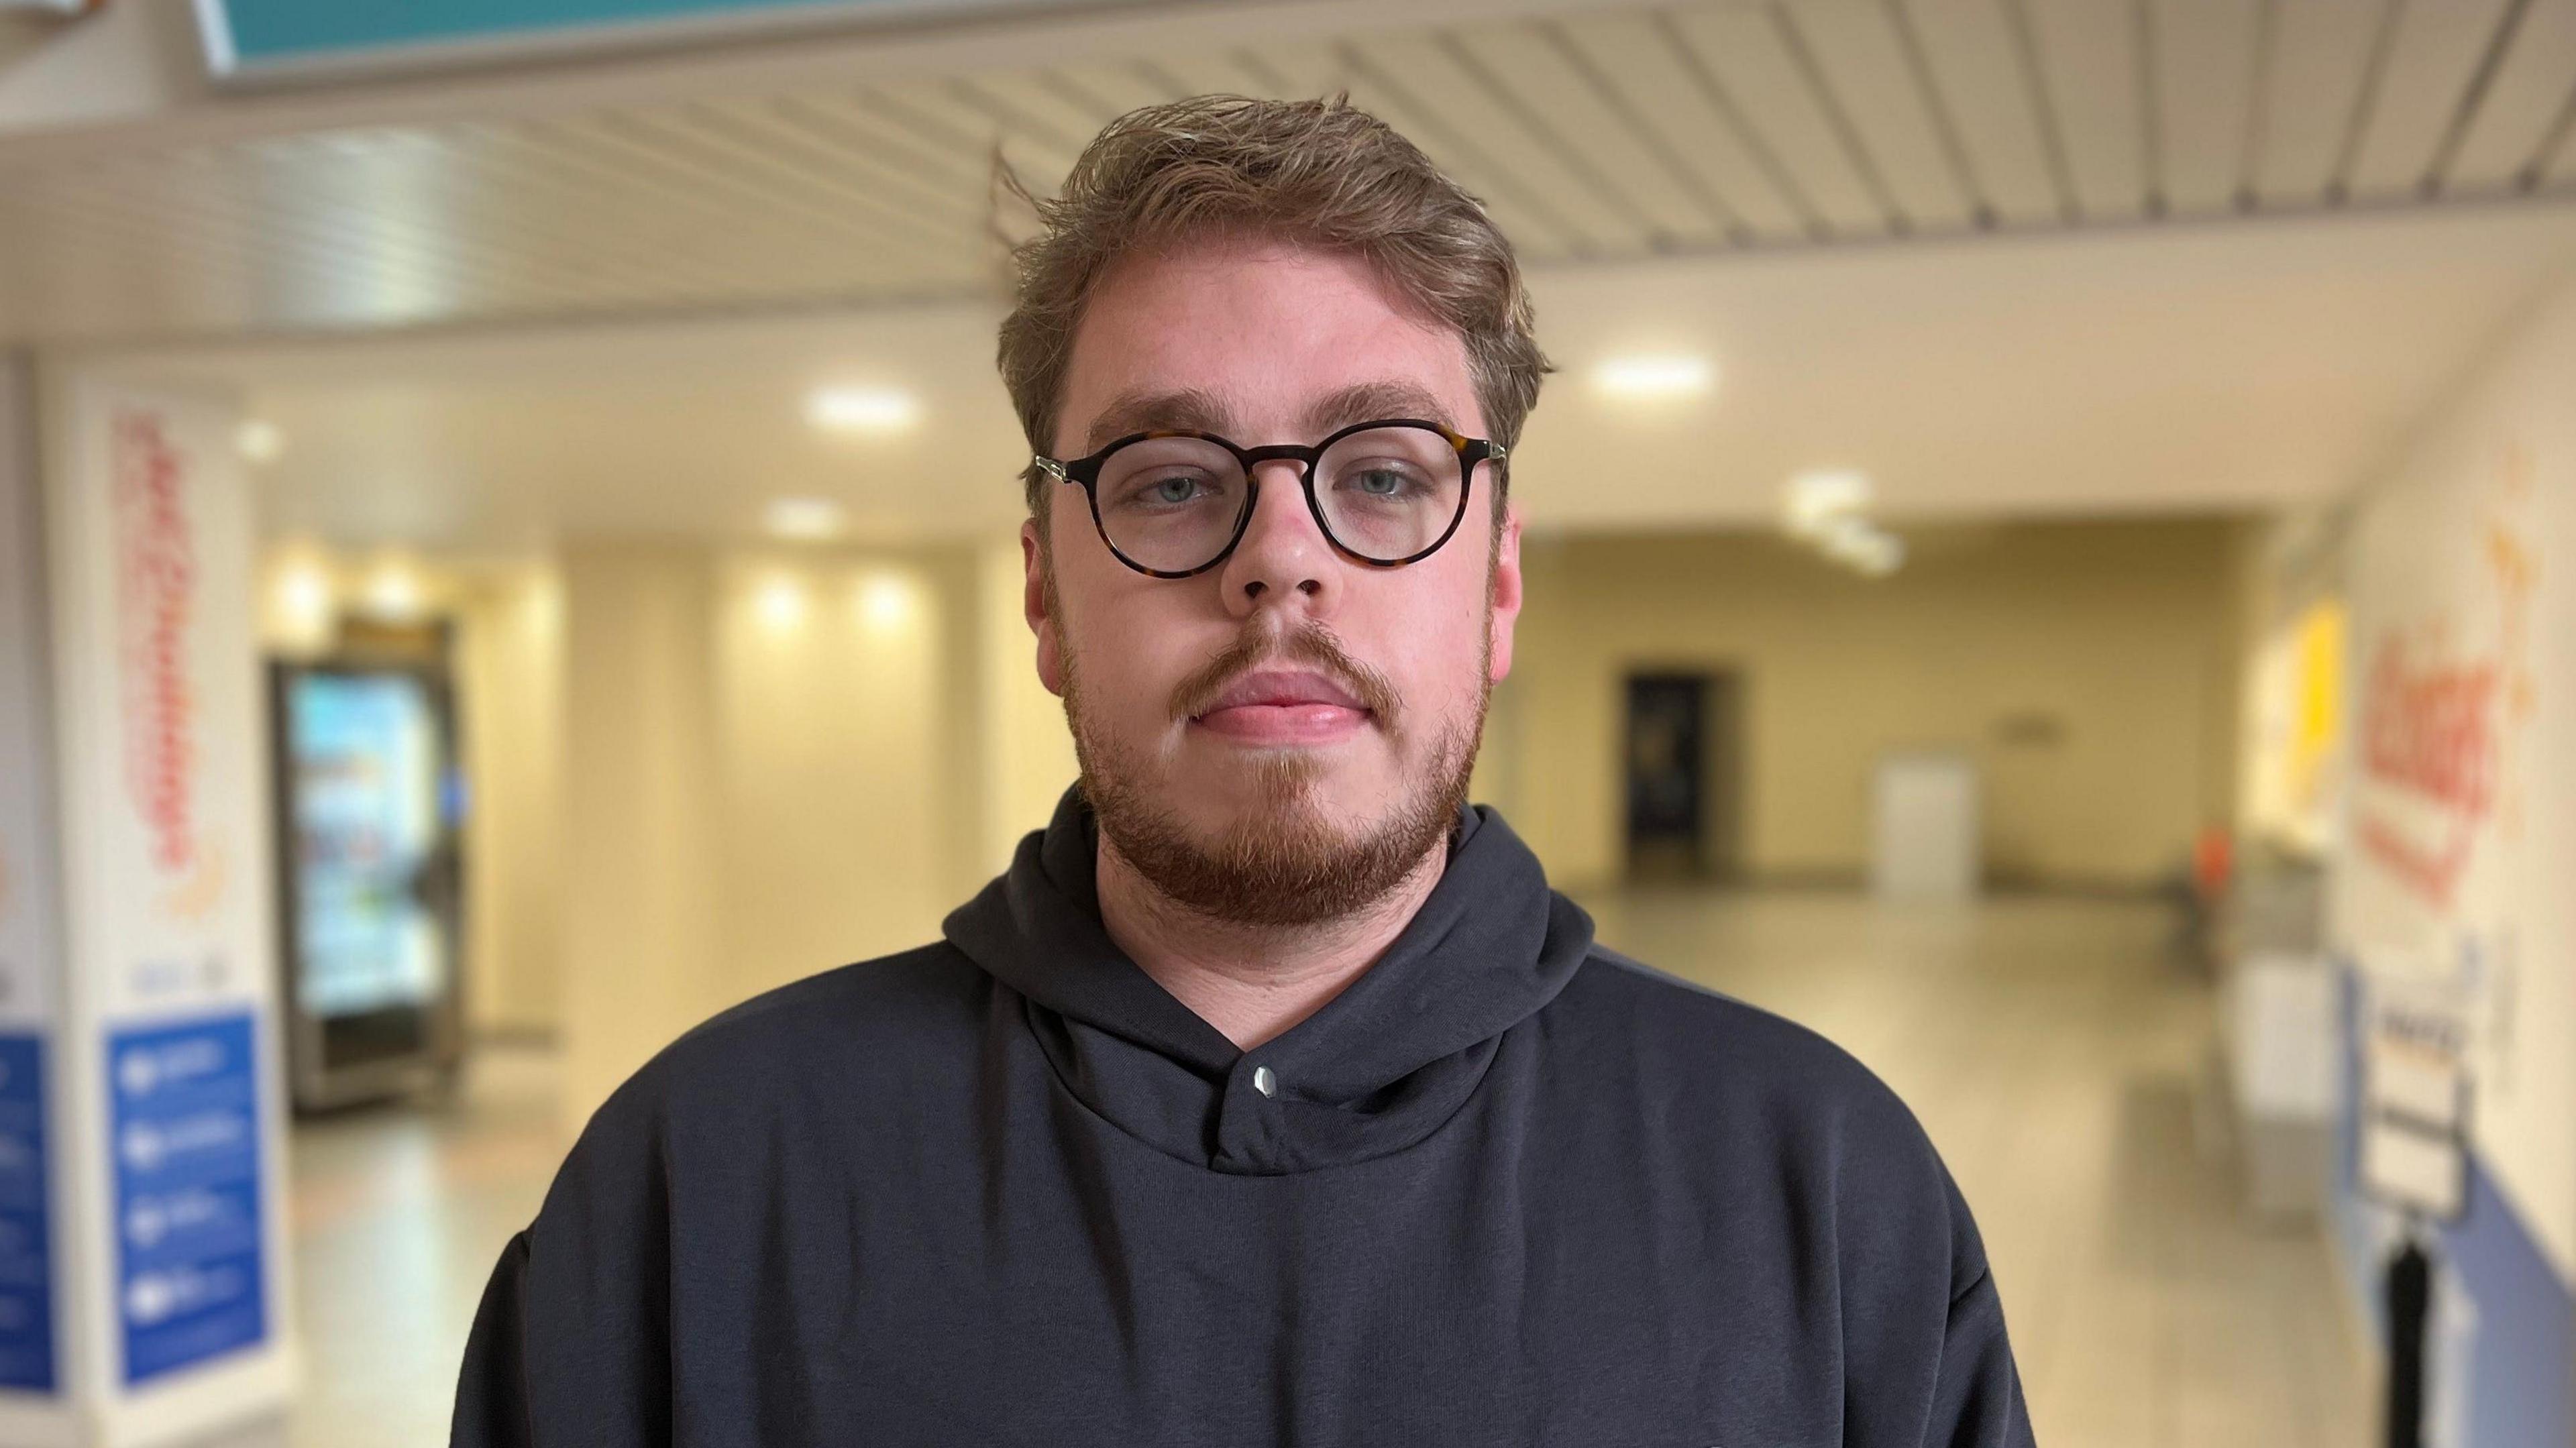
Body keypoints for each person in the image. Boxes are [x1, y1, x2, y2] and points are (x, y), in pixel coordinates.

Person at [451, 95, 2032, 1448]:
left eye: (1387, 474)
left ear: (1496, 586)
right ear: (1042, 594)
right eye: (1172, 481)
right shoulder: (702, 1191)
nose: (1283, 562)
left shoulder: (1818, 1188)